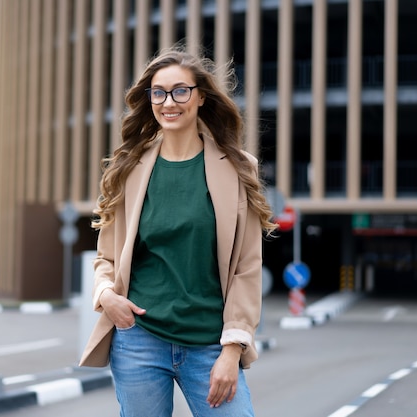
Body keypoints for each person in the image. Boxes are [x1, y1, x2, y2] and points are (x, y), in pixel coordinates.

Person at [79, 45, 276, 417]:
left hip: (210, 344)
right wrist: (106, 295)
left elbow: (247, 268)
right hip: (139, 340)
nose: (169, 102)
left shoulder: (237, 168)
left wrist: (232, 350)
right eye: (159, 92)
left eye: (180, 91)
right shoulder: (129, 167)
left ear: (201, 97)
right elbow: (105, 257)